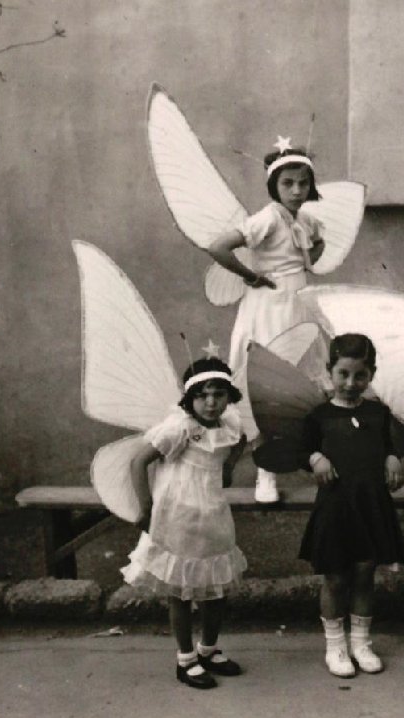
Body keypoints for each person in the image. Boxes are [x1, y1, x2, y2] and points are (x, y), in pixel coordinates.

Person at [208, 139, 325, 503]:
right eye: (288, 183)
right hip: (269, 306)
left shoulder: (306, 220)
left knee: (303, 379)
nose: (296, 190)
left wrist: (308, 257)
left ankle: (317, 462)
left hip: (299, 301)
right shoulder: (267, 218)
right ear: (274, 185)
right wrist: (251, 275)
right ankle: (265, 473)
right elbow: (218, 247)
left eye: (303, 183)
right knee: (266, 382)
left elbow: (317, 244)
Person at [121, 357, 249, 689]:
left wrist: (229, 467)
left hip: (213, 515)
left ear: (229, 396)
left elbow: (241, 441)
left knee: (215, 589)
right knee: (180, 591)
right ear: (189, 399)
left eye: (218, 394)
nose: (211, 403)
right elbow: (138, 462)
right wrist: (145, 508)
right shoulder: (178, 428)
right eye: (202, 395)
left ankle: (208, 649)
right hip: (178, 517)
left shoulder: (230, 425)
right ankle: (186, 658)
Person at [298, 334, 404, 678]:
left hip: (370, 504)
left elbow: (389, 443)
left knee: (364, 572)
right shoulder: (319, 416)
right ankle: (335, 646)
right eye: (343, 374)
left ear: (371, 374)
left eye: (360, 375)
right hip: (336, 506)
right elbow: (299, 449)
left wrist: (392, 457)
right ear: (329, 371)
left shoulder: (378, 413)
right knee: (335, 576)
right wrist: (315, 458)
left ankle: (361, 643)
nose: (350, 383)